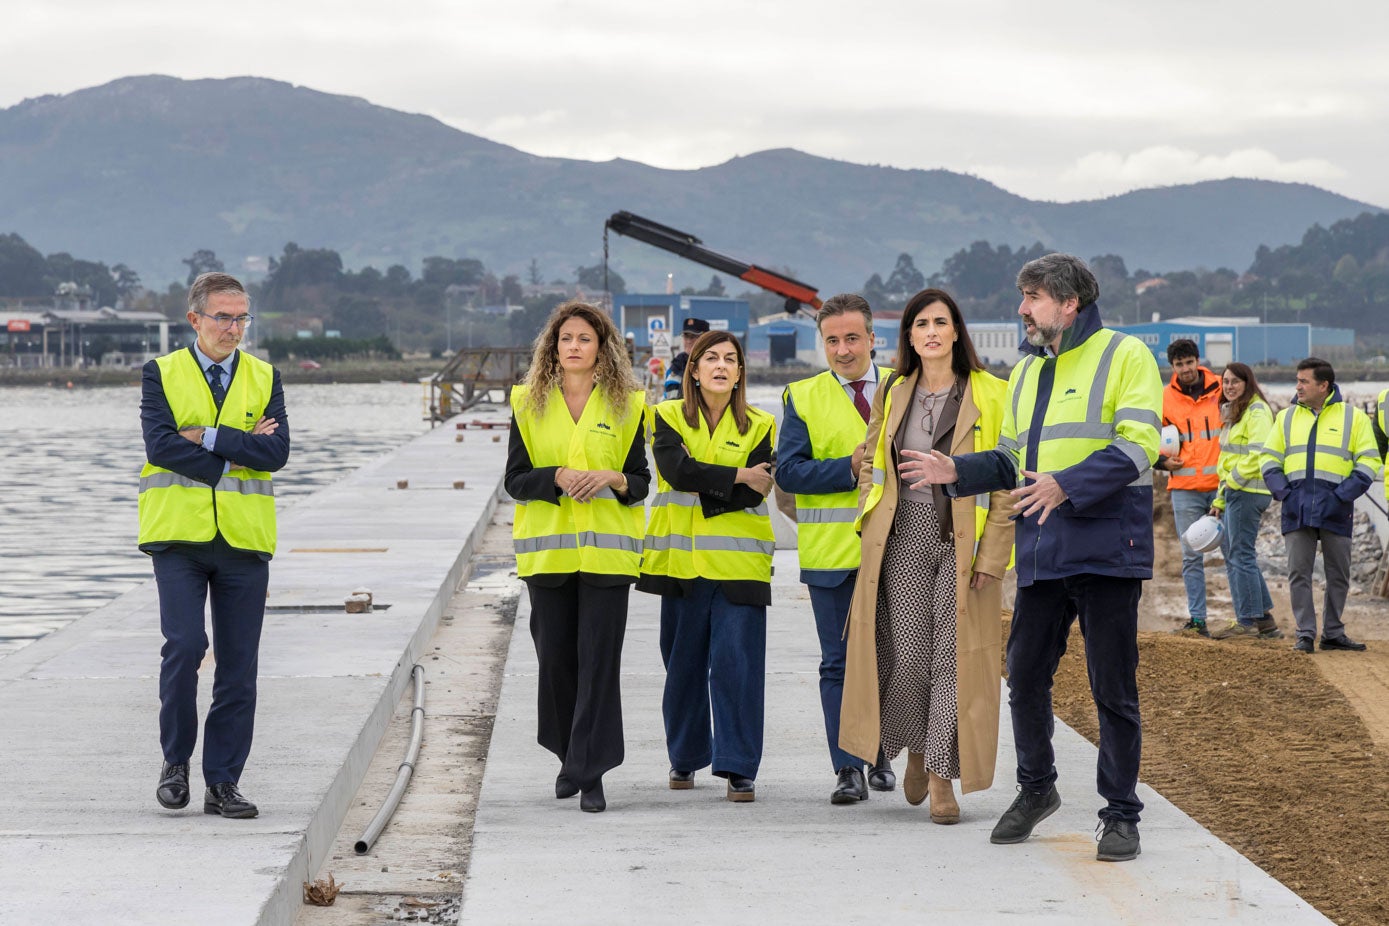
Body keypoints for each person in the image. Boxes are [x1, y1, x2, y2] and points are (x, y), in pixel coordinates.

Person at [898, 254, 1162, 862]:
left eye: (1033, 296)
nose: (1022, 308)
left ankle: (1121, 814)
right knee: (1024, 678)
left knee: (1112, 688)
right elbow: (1010, 459)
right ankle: (1037, 789)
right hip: (1043, 548)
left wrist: (1066, 483)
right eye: (1024, 295)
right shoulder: (1026, 373)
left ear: (1069, 304)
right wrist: (955, 469)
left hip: (1105, 550)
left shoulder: (1125, 355)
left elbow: (1140, 443)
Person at [838, 288, 1013, 824]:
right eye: (921, 324)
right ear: (909, 337)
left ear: (957, 331)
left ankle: (941, 777)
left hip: (964, 539)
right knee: (910, 655)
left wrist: (993, 555)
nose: (932, 332)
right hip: (905, 534)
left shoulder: (992, 392)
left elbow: (1008, 477)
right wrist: (870, 505)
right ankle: (915, 749)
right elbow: (870, 460)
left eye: (941, 322)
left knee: (953, 659)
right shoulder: (896, 390)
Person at [140, 272, 290, 819]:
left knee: (238, 667)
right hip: (178, 537)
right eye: (223, 316)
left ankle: (222, 783)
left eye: (242, 317)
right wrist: (241, 449)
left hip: (244, 542)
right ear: (196, 319)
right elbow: (159, 445)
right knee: (184, 647)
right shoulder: (161, 373)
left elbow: (278, 455)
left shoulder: (265, 375)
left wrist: (205, 437)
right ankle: (175, 763)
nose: (234, 327)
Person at [504, 301, 650, 814]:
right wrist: (557, 478)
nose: (574, 346)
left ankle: (592, 774)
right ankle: (569, 753)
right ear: (553, 346)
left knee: (598, 666)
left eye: (585, 338)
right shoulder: (527, 403)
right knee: (557, 665)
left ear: (601, 347)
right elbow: (515, 481)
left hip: (609, 558)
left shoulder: (630, 404)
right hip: (548, 559)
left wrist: (613, 479)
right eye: (566, 338)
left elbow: (641, 483)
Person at [639, 330, 775, 802]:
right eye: (710, 358)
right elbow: (677, 472)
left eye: (730, 359)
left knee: (738, 667)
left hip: (739, 567)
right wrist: (736, 475)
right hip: (680, 563)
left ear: (740, 372)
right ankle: (685, 756)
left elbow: (757, 491)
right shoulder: (666, 416)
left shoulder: (761, 425)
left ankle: (739, 766)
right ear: (692, 370)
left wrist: (716, 482)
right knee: (683, 668)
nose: (720, 365)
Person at [775, 294, 897, 805]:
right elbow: (788, 472)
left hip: (895, 549)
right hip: (831, 556)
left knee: (892, 660)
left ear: (873, 339)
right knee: (838, 665)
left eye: (852, 338)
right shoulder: (801, 396)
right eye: (832, 340)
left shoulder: (903, 386)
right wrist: (847, 468)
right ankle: (847, 767)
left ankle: (882, 752)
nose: (843, 350)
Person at [1260, 358, 1378, 654]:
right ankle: (1305, 634)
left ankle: (1333, 632)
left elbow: (1369, 461)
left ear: (1323, 386)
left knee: (1338, 574)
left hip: (1337, 508)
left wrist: (1341, 496)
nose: (1297, 386)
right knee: (1298, 573)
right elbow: (1269, 460)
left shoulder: (1354, 418)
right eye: (1297, 380)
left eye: (1304, 381)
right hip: (1296, 507)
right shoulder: (1286, 418)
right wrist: (1284, 494)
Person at [1207, 364, 1283, 639]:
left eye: (1235, 381)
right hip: (1236, 492)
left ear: (1247, 382)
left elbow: (1258, 455)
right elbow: (1226, 461)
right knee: (1238, 554)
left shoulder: (1257, 411)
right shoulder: (1235, 414)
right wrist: (1220, 498)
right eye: (1225, 382)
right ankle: (1264, 621)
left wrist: (1233, 485)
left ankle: (1246, 620)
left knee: (1240, 555)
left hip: (1248, 492)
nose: (1229, 386)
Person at [1156, 339, 1223, 637]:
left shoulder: (1222, 388)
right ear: (1172, 367)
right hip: (1183, 487)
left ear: (1198, 361)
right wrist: (1159, 462)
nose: (1185, 369)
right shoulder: (1163, 397)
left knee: (1235, 552)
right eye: (1179, 364)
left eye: (1189, 362)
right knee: (1191, 555)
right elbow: (1146, 434)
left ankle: (1250, 619)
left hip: (1221, 486)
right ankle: (1198, 620)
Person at [662, 317, 711, 400]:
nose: (688, 341)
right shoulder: (675, 366)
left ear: (706, 339)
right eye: (686, 336)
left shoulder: (713, 366)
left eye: (693, 337)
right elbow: (666, 398)